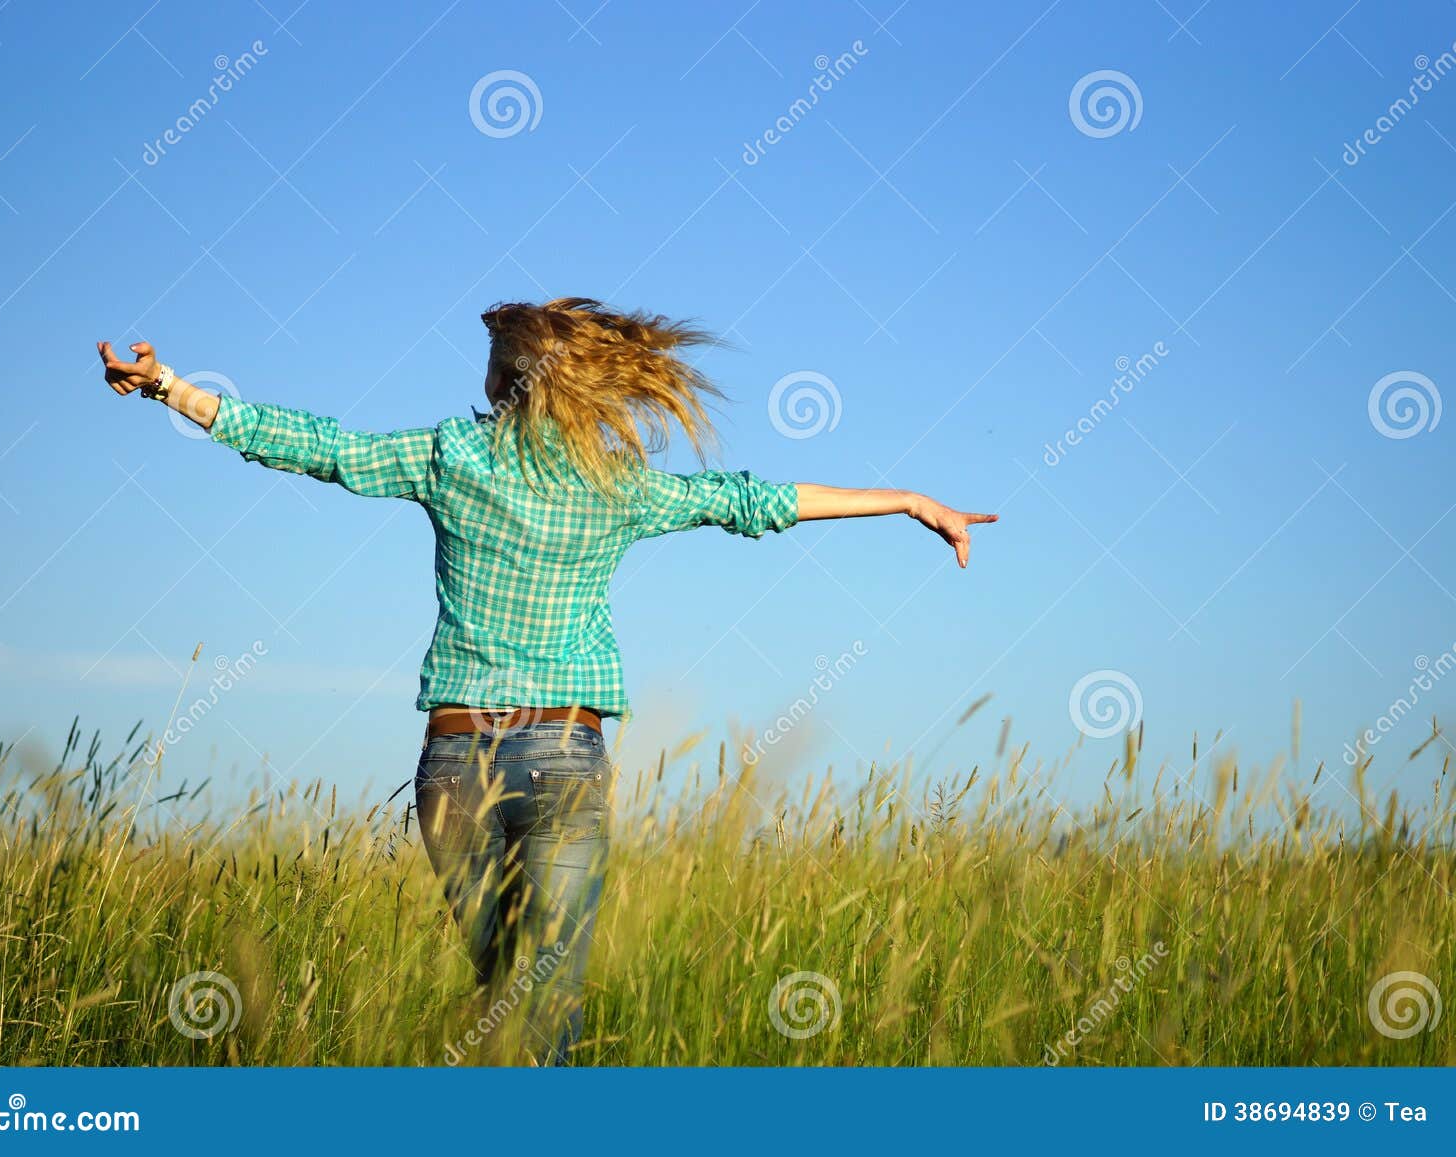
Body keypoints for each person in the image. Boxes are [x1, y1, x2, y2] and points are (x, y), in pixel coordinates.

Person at [96, 297, 997, 1064]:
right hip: (565, 754)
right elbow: (750, 501)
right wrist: (908, 500)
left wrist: (177, 390)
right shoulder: (619, 484)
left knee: (508, 1002)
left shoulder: (452, 454)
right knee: (541, 1006)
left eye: (489, 363)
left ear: (505, 381)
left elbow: (323, 447)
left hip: (454, 761)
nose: (481, 380)